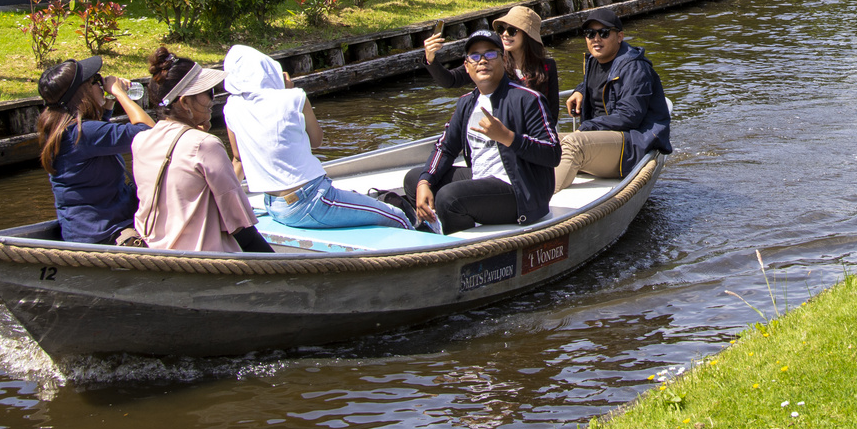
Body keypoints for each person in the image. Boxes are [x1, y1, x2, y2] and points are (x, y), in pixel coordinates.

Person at [222, 44, 411, 230]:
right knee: (397, 216)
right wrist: (287, 91)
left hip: (274, 206)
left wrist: (225, 206)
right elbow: (316, 141)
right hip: (311, 201)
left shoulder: (231, 107)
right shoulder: (294, 97)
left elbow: (238, 160)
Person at [404, 29, 561, 233]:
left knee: (449, 198)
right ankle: (440, 224)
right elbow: (445, 147)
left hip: (520, 189)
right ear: (467, 66)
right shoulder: (467, 103)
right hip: (481, 178)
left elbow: (553, 153)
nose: (482, 61)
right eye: (475, 56)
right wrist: (425, 181)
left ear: (504, 60)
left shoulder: (528, 99)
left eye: (490, 54)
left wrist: (508, 137)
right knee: (414, 180)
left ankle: (461, 248)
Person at [131, 47, 272, 253]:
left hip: (157, 255)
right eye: (208, 92)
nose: (212, 100)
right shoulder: (205, 145)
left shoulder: (140, 140)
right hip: (208, 261)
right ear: (185, 102)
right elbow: (240, 224)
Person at [35, 55, 155, 245]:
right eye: (96, 81)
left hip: (86, 230)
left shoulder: (64, 128)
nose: (102, 84)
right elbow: (150, 133)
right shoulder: (84, 134)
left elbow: (97, 139)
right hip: (104, 234)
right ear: (82, 93)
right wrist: (119, 93)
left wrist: (107, 104)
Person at [554, 7, 671, 192]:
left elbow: (629, 116)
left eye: (604, 33)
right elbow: (596, 83)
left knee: (573, 144)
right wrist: (580, 90)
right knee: (545, 141)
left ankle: (543, 200)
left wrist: (587, 128)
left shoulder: (635, 68)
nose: (596, 38)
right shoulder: (594, 60)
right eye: (590, 33)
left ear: (619, 36)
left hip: (632, 144)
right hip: (601, 138)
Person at [425, 5, 560, 125]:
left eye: (512, 30)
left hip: (535, 134)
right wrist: (430, 59)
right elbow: (450, 80)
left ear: (528, 35)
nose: (505, 34)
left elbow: (552, 113)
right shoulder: (491, 61)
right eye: (501, 29)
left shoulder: (548, 66)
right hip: (498, 134)